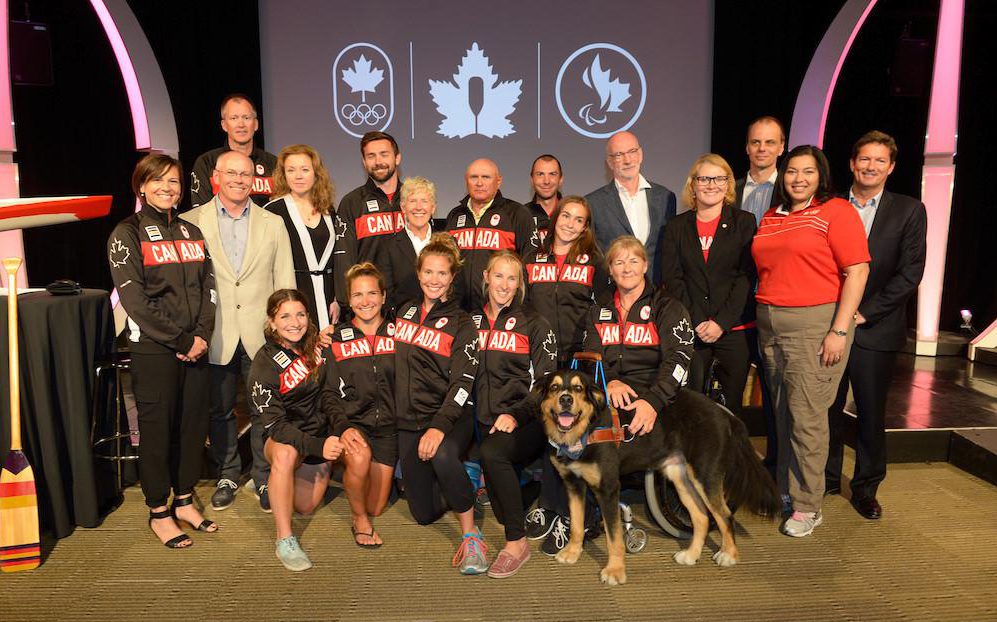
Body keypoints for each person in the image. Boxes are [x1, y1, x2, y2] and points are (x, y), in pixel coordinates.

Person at [752, 144, 870, 537]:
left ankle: (807, 505)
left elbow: (856, 271)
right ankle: (788, 492)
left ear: (821, 175)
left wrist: (838, 330)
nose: (798, 179)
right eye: (790, 172)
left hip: (814, 325)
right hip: (770, 323)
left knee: (807, 417)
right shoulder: (772, 216)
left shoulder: (836, 212)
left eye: (807, 172)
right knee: (783, 412)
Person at [107, 153, 216, 548]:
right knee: (156, 431)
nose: (167, 188)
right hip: (154, 349)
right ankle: (158, 510)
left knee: (191, 428)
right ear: (141, 187)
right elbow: (135, 301)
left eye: (173, 181)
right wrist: (182, 340)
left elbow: (209, 288)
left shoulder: (190, 232)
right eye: (158, 181)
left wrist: (201, 334)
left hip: (196, 347)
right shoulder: (127, 233)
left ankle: (184, 499)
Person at [183, 150, 296, 513]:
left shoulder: (272, 222)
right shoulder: (189, 222)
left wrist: (286, 330)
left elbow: (284, 281)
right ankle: (228, 474)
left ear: (254, 179)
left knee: (266, 411)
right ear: (216, 176)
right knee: (220, 411)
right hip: (214, 333)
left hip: (260, 335)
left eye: (245, 174)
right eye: (231, 173)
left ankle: (263, 477)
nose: (238, 179)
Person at [826, 131, 927, 519]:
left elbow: (910, 273)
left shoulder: (909, 210)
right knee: (827, 409)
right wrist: (835, 314)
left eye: (879, 161)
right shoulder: (830, 206)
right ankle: (827, 478)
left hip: (875, 330)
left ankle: (866, 488)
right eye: (864, 159)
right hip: (829, 324)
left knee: (870, 414)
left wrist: (865, 311)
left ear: (891, 167)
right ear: (852, 163)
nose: (870, 167)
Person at [520, 196, 611, 555]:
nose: (571, 224)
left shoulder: (593, 262)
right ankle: (548, 501)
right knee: (550, 435)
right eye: (566, 216)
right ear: (555, 218)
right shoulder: (532, 258)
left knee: (572, 441)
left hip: (577, 365)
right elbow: (522, 308)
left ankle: (569, 514)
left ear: (586, 227)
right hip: (542, 362)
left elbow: (602, 311)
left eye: (579, 220)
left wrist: (587, 354)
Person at [393, 233, 485, 574]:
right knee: (423, 514)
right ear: (419, 274)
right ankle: (462, 480)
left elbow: (463, 384)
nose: (434, 279)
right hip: (409, 421)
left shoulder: (462, 323)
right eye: (428, 272)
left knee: (444, 454)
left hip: (451, 416)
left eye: (442, 273)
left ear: (451, 277)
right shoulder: (404, 312)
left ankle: (471, 535)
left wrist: (438, 426)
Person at [471, 250, 557, 578]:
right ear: (486, 278)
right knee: (504, 506)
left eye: (512, 278)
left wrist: (517, 415)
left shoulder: (535, 323)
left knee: (493, 455)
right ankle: (536, 488)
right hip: (484, 420)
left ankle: (516, 544)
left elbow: (547, 385)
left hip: (528, 420)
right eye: (499, 276)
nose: (504, 284)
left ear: (520, 284)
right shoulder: (471, 321)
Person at [249, 289, 344, 571]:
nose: (294, 322)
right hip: (282, 437)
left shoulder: (315, 347)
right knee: (287, 455)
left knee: (304, 507)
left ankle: (279, 481)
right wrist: (319, 448)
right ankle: (284, 539)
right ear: (272, 322)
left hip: (315, 434)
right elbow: (277, 426)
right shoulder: (263, 363)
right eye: (285, 316)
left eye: (300, 314)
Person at [661, 154, 756, 416]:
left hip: (734, 330)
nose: (711, 184)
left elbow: (745, 277)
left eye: (719, 178)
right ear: (693, 184)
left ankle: (729, 457)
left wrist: (720, 323)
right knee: (691, 404)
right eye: (704, 178)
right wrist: (699, 321)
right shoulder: (676, 227)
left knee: (731, 408)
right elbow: (673, 278)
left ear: (728, 185)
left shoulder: (745, 223)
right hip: (692, 330)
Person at [584, 236, 695, 438]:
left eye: (634, 261)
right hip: (611, 392)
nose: (627, 269)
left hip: (655, 393)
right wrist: (610, 382)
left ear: (645, 265)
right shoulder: (597, 309)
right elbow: (592, 357)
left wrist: (653, 401)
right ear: (610, 269)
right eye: (619, 262)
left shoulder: (667, 307)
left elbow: (678, 359)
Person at [324, 263, 397, 547]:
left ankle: (351, 476)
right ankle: (359, 520)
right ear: (348, 300)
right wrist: (342, 427)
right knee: (359, 458)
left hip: (389, 429)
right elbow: (328, 394)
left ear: (383, 296)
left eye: (371, 294)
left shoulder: (400, 334)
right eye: (357, 295)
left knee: (376, 506)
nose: (365, 301)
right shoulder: (336, 339)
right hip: (355, 425)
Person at [265, 144, 339, 331]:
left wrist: (338, 298)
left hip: (329, 300)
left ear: (316, 173)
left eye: (305, 169)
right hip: (293, 299)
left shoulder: (328, 209)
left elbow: (337, 258)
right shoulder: (273, 211)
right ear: (283, 174)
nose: (298, 176)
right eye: (291, 170)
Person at [445, 159, 536, 310]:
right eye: (474, 177)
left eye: (486, 177)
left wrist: (521, 308)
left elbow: (530, 265)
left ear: (498, 181)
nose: (479, 183)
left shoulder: (517, 213)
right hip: (458, 311)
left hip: (500, 313)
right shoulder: (454, 216)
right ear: (466, 181)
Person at [585, 131, 676, 282]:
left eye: (632, 152)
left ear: (640, 154)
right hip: (612, 294)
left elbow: (670, 251)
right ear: (609, 161)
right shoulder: (593, 203)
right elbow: (593, 255)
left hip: (656, 293)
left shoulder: (665, 197)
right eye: (619, 155)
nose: (627, 160)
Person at [191, 93, 277, 209]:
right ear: (224, 125)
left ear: (256, 124)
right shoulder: (207, 162)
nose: (241, 124)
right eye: (234, 118)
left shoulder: (273, 163)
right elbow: (200, 212)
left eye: (246, 118)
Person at [335, 131, 404, 275]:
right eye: (371, 156)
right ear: (364, 162)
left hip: (412, 294)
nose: (378, 162)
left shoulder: (414, 199)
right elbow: (344, 260)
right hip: (371, 295)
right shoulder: (351, 203)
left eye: (384, 154)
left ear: (397, 158)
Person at [377, 176, 435, 313]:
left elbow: (455, 290)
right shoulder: (388, 246)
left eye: (424, 201)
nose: (419, 207)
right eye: (413, 201)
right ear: (403, 207)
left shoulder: (448, 244)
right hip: (403, 324)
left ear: (433, 208)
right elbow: (387, 294)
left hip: (442, 324)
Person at [734, 116, 786, 223]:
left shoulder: (789, 191)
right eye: (755, 142)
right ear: (747, 147)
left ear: (781, 148)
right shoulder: (729, 190)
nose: (762, 148)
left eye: (770, 142)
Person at [524, 154, 564, 248]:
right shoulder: (521, 215)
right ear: (532, 180)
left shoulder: (572, 214)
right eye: (540, 174)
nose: (546, 181)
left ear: (561, 179)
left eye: (552, 174)